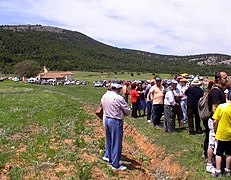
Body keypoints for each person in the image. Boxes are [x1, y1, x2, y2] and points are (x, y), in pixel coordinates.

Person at [101, 83, 131, 170]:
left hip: (107, 119)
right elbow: (127, 111)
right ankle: (115, 164)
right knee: (116, 142)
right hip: (116, 121)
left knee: (109, 141)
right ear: (118, 89)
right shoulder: (119, 98)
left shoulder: (105, 96)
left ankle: (110, 159)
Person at [205, 71, 228, 173]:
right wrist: (217, 122)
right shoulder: (215, 91)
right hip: (215, 120)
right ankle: (209, 164)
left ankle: (214, 161)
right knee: (212, 142)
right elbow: (214, 109)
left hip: (218, 120)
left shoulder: (220, 90)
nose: (226, 79)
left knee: (215, 142)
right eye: (225, 78)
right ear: (219, 79)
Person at [211, 90, 231, 177]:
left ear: (227, 96)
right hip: (230, 135)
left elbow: (215, 121)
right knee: (229, 152)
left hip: (221, 133)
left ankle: (218, 171)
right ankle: (227, 170)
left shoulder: (221, 107)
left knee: (219, 152)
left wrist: (215, 131)